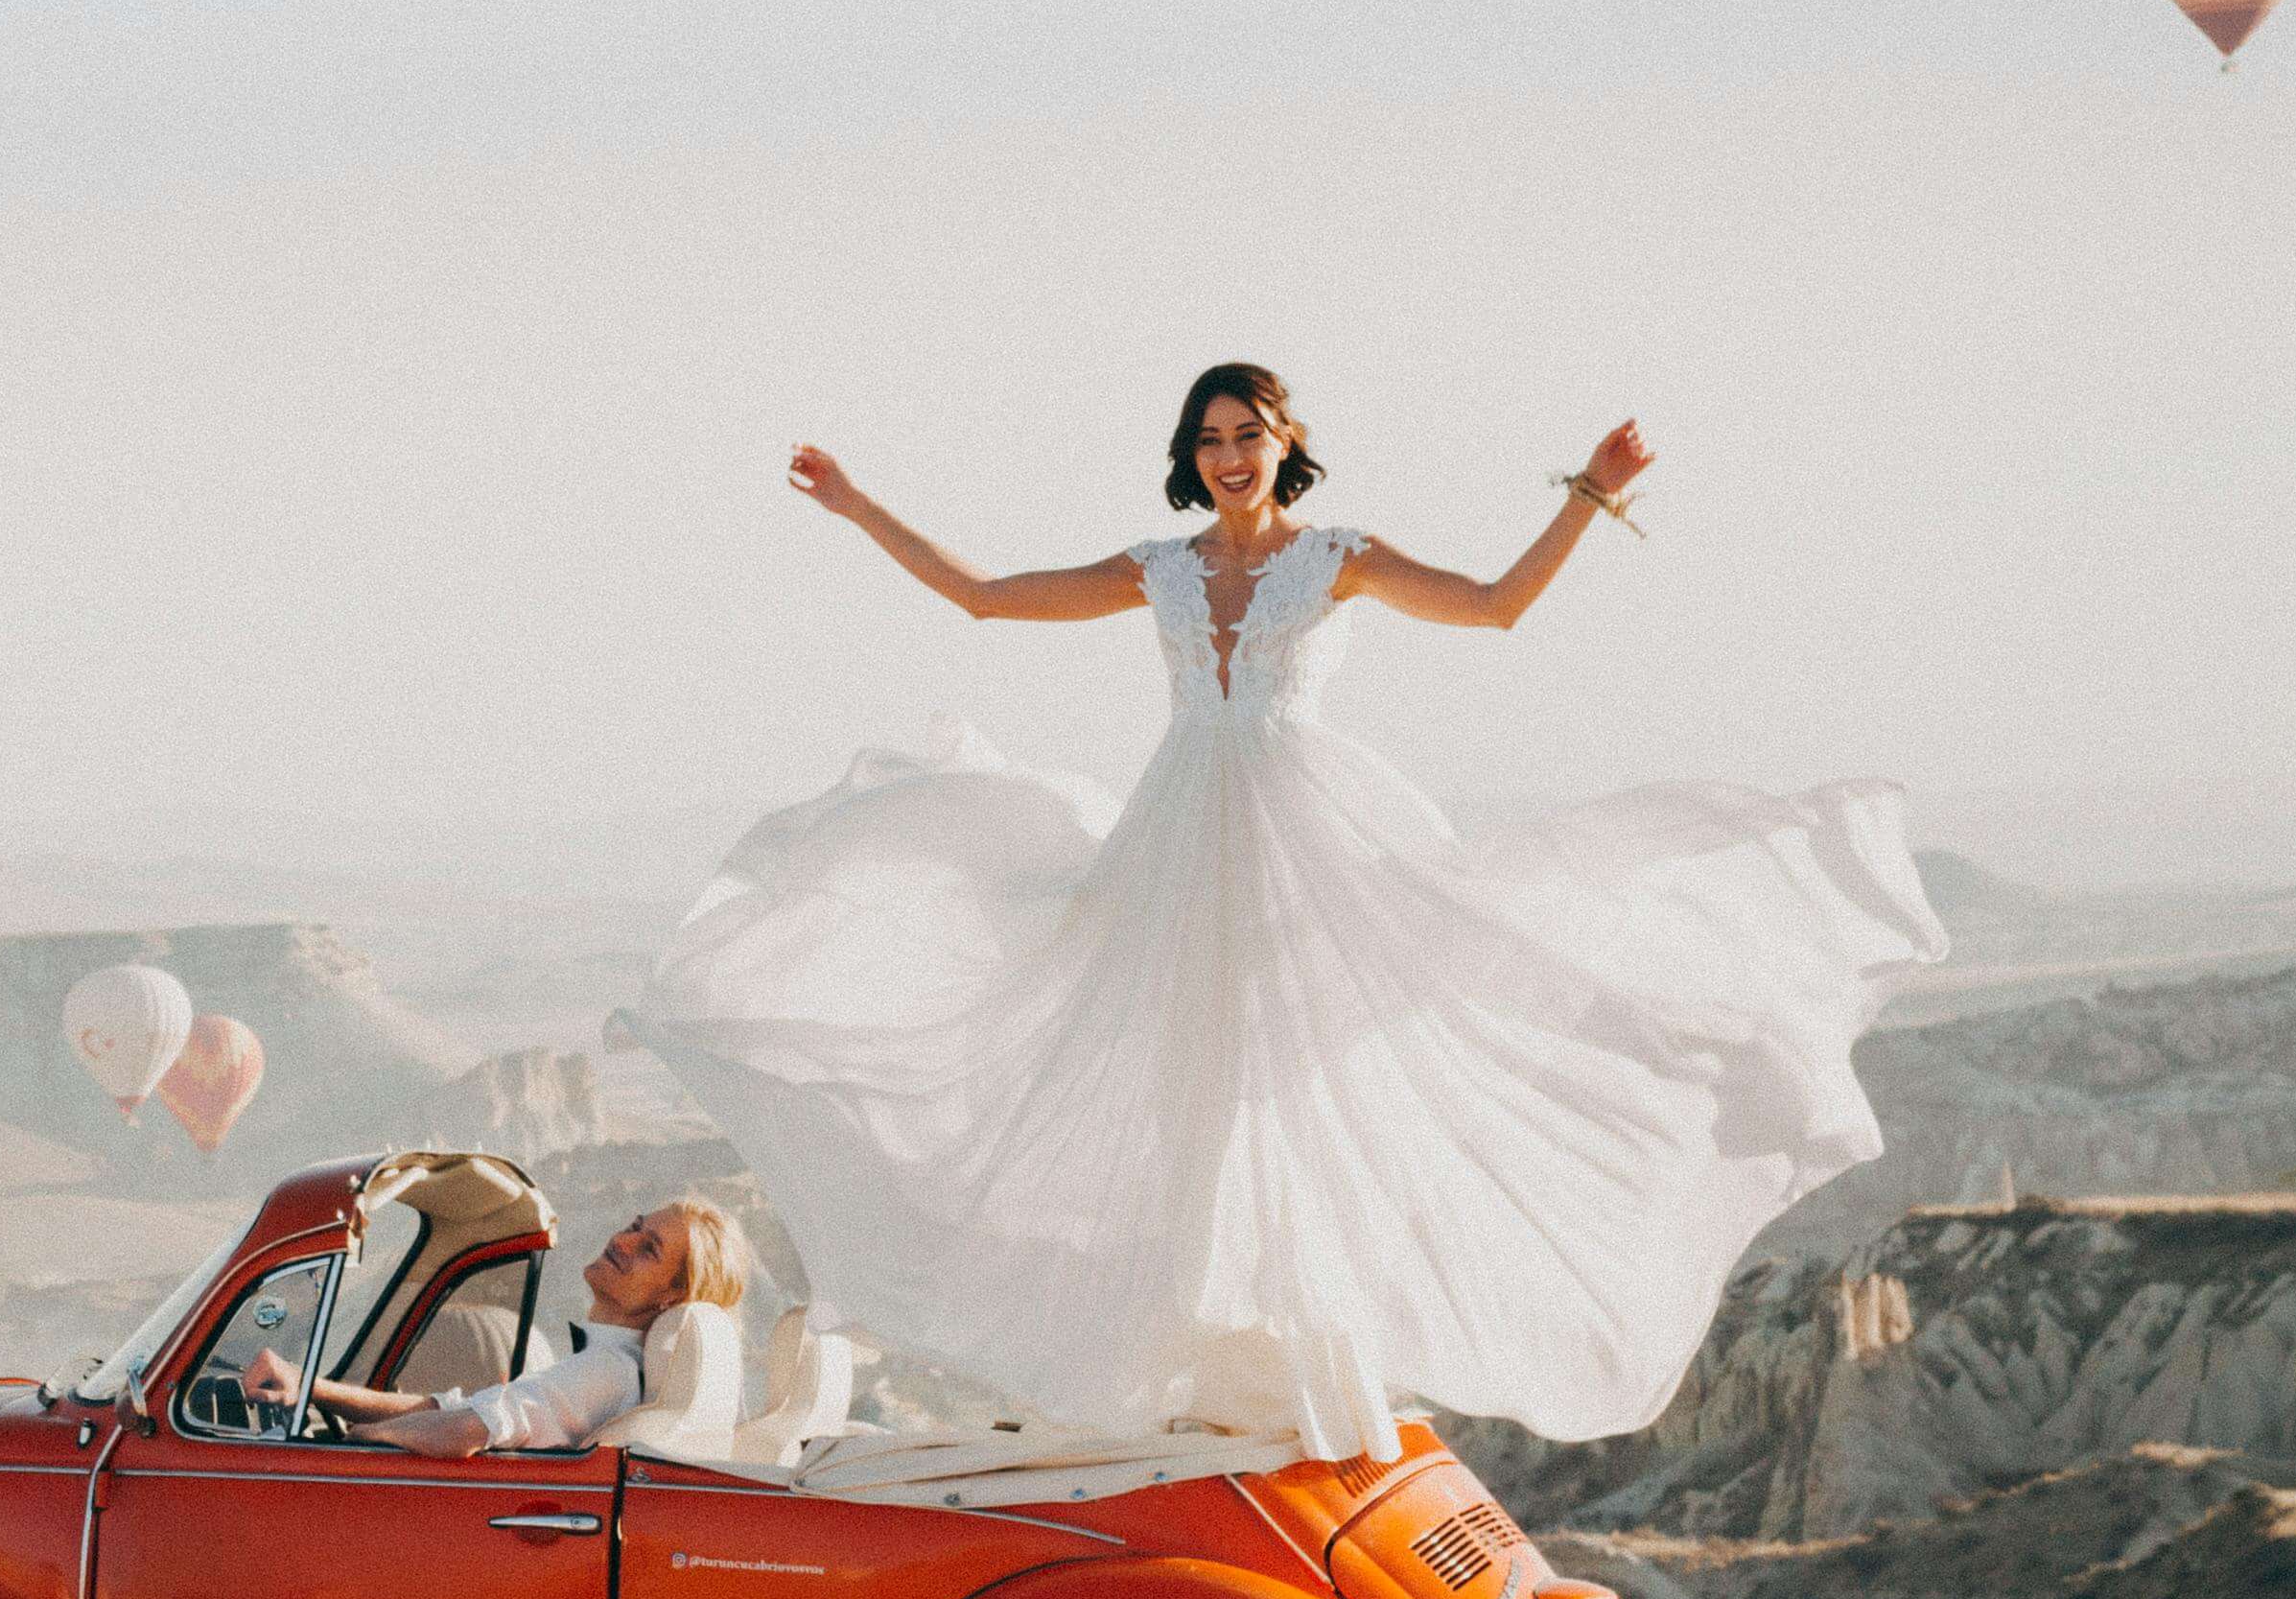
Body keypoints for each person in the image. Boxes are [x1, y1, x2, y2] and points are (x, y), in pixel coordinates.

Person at [615, 362, 1944, 1468]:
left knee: (1300, 1099)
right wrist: (858, 505)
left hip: (1306, 847)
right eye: (1210, 437)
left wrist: (1592, 494)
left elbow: (1494, 608)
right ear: (1190, 458)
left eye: (1250, 433)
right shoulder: (1161, 568)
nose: (1230, 453)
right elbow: (983, 597)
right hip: (1179, 849)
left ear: (1287, 443)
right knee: (1166, 1091)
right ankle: (1191, 1377)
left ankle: (1299, 1365)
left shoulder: (1337, 561)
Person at [245, 1199, 751, 1459]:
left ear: (671, 1297)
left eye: (649, 1249)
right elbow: (456, 1409)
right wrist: (310, 1389)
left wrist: (352, 1444)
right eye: (636, 1226)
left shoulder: (606, 1369)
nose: (623, 1239)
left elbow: (467, 1429)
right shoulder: (610, 1368)